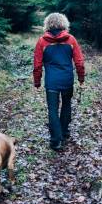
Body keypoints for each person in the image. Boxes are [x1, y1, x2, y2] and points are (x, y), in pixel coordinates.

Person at [33, 13, 85, 150]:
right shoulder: (71, 40)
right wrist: (81, 78)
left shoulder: (42, 41)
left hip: (51, 82)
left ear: (47, 24)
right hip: (67, 79)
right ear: (64, 23)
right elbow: (79, 62)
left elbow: (37, 65)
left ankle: (56, 140)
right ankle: (64, 131)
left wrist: (37, 82)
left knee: (53, 109)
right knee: (66, 104)